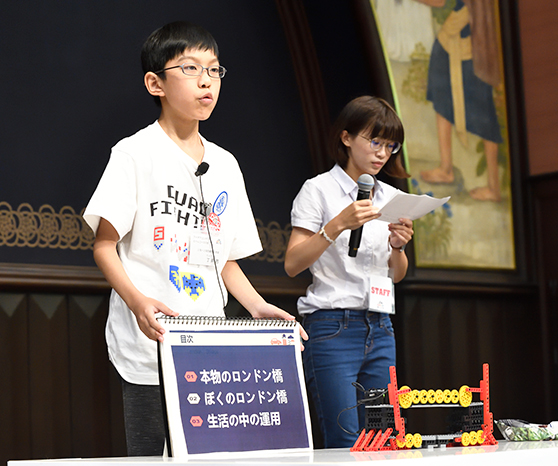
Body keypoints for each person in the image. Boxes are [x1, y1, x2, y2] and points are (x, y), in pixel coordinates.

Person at [83, 21, 300, 456]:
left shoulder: (226, 165)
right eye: (190, 68)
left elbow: (225, 260)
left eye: (214, 70)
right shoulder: (133, 153)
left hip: (208, 344)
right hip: (150, 340)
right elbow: (104, 246)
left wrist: (257, 306)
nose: (206, 80)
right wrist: (138, 303)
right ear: (155, 83)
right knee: (149, 456)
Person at [284, 96, 414, 448]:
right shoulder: (318, 190)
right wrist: (337, 224)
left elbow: (396, 275)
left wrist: (398, 247)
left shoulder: (391, 197)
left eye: (391, 145)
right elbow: (293, 264)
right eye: (375, 141)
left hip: (381, 326)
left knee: (383, 440)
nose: (382, 153)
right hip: (332, 327)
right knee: (344, 441)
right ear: (346, 137)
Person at [417, 0, 503, 201]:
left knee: (484, 113)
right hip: (453, 42)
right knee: (442, 101)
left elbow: (440, 1)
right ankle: (446, 168)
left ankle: (493, 187)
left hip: (470, 46)